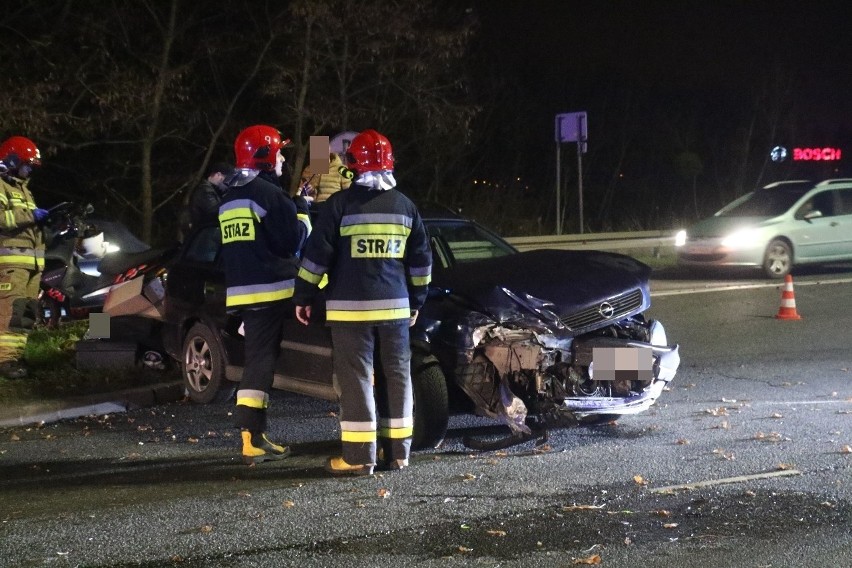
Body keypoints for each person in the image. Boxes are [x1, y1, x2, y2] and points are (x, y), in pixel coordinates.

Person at [293, 129, 432, 476]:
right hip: (397, 311)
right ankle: (399, 454)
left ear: (353, 165)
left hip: (350, 311)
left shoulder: (339, 206)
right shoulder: (405, 206)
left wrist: (304, 296)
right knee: (399, 377)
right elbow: (421, 264)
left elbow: (316, 258)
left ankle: (358, 458)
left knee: (356, 380)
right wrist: (416, 301)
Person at [218, 125, 311, 464]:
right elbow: (294, 243)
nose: (284, 158)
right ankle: (252, 438)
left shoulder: (228, 198)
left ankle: (250, 437)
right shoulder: (271, 197)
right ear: (267, 156)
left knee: (257, 359)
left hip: (243, 293)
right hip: (274, 290)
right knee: (261, 361)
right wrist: (302, 210)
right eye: (280, 152)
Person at [0, 136, 49, 379]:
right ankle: (6, 361)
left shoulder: (23, 190)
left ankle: (16, 356)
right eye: (26, 164)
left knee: (25, 312)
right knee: (10, 311)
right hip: (11, 263)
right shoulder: (1, 186)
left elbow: (30, 227)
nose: (29, 169)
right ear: (11, 160)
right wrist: (31, 215)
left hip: (30, 263)